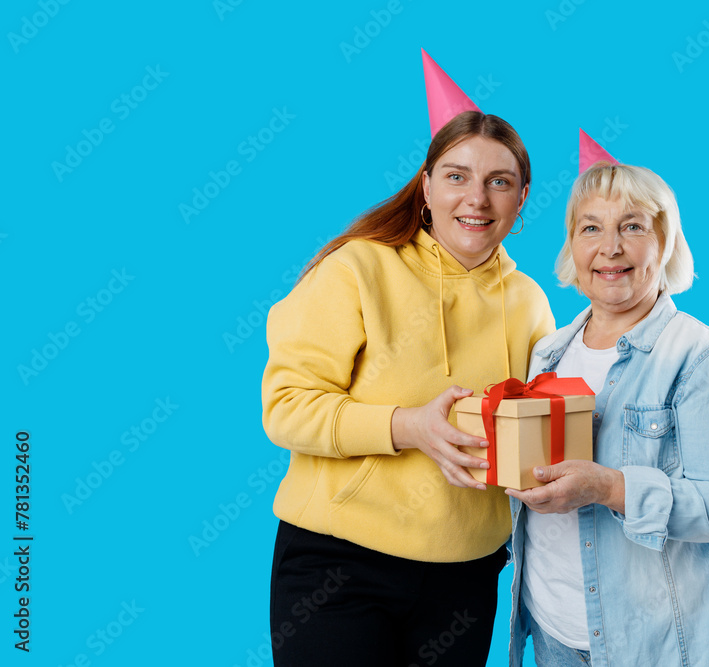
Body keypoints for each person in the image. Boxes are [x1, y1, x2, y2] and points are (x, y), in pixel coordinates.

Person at [262, 52, 555, 666]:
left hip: (466, 577)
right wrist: (409, 427)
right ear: (425, 187)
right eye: (456, 176)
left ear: (521, 198)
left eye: (498, 181)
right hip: (339, 565)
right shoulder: (357, 270)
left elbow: (533, 434)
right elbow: (285, 409)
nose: (476, 198)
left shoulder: (529, 302)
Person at [506, 142, 709, 666]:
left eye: (632, 226)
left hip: (657, 645)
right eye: (591, 228)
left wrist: (608, 486)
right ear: (572, 246)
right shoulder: (547, 354)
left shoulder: (701, 356)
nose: (610, 248)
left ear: (664, 243)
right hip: (553, 634)